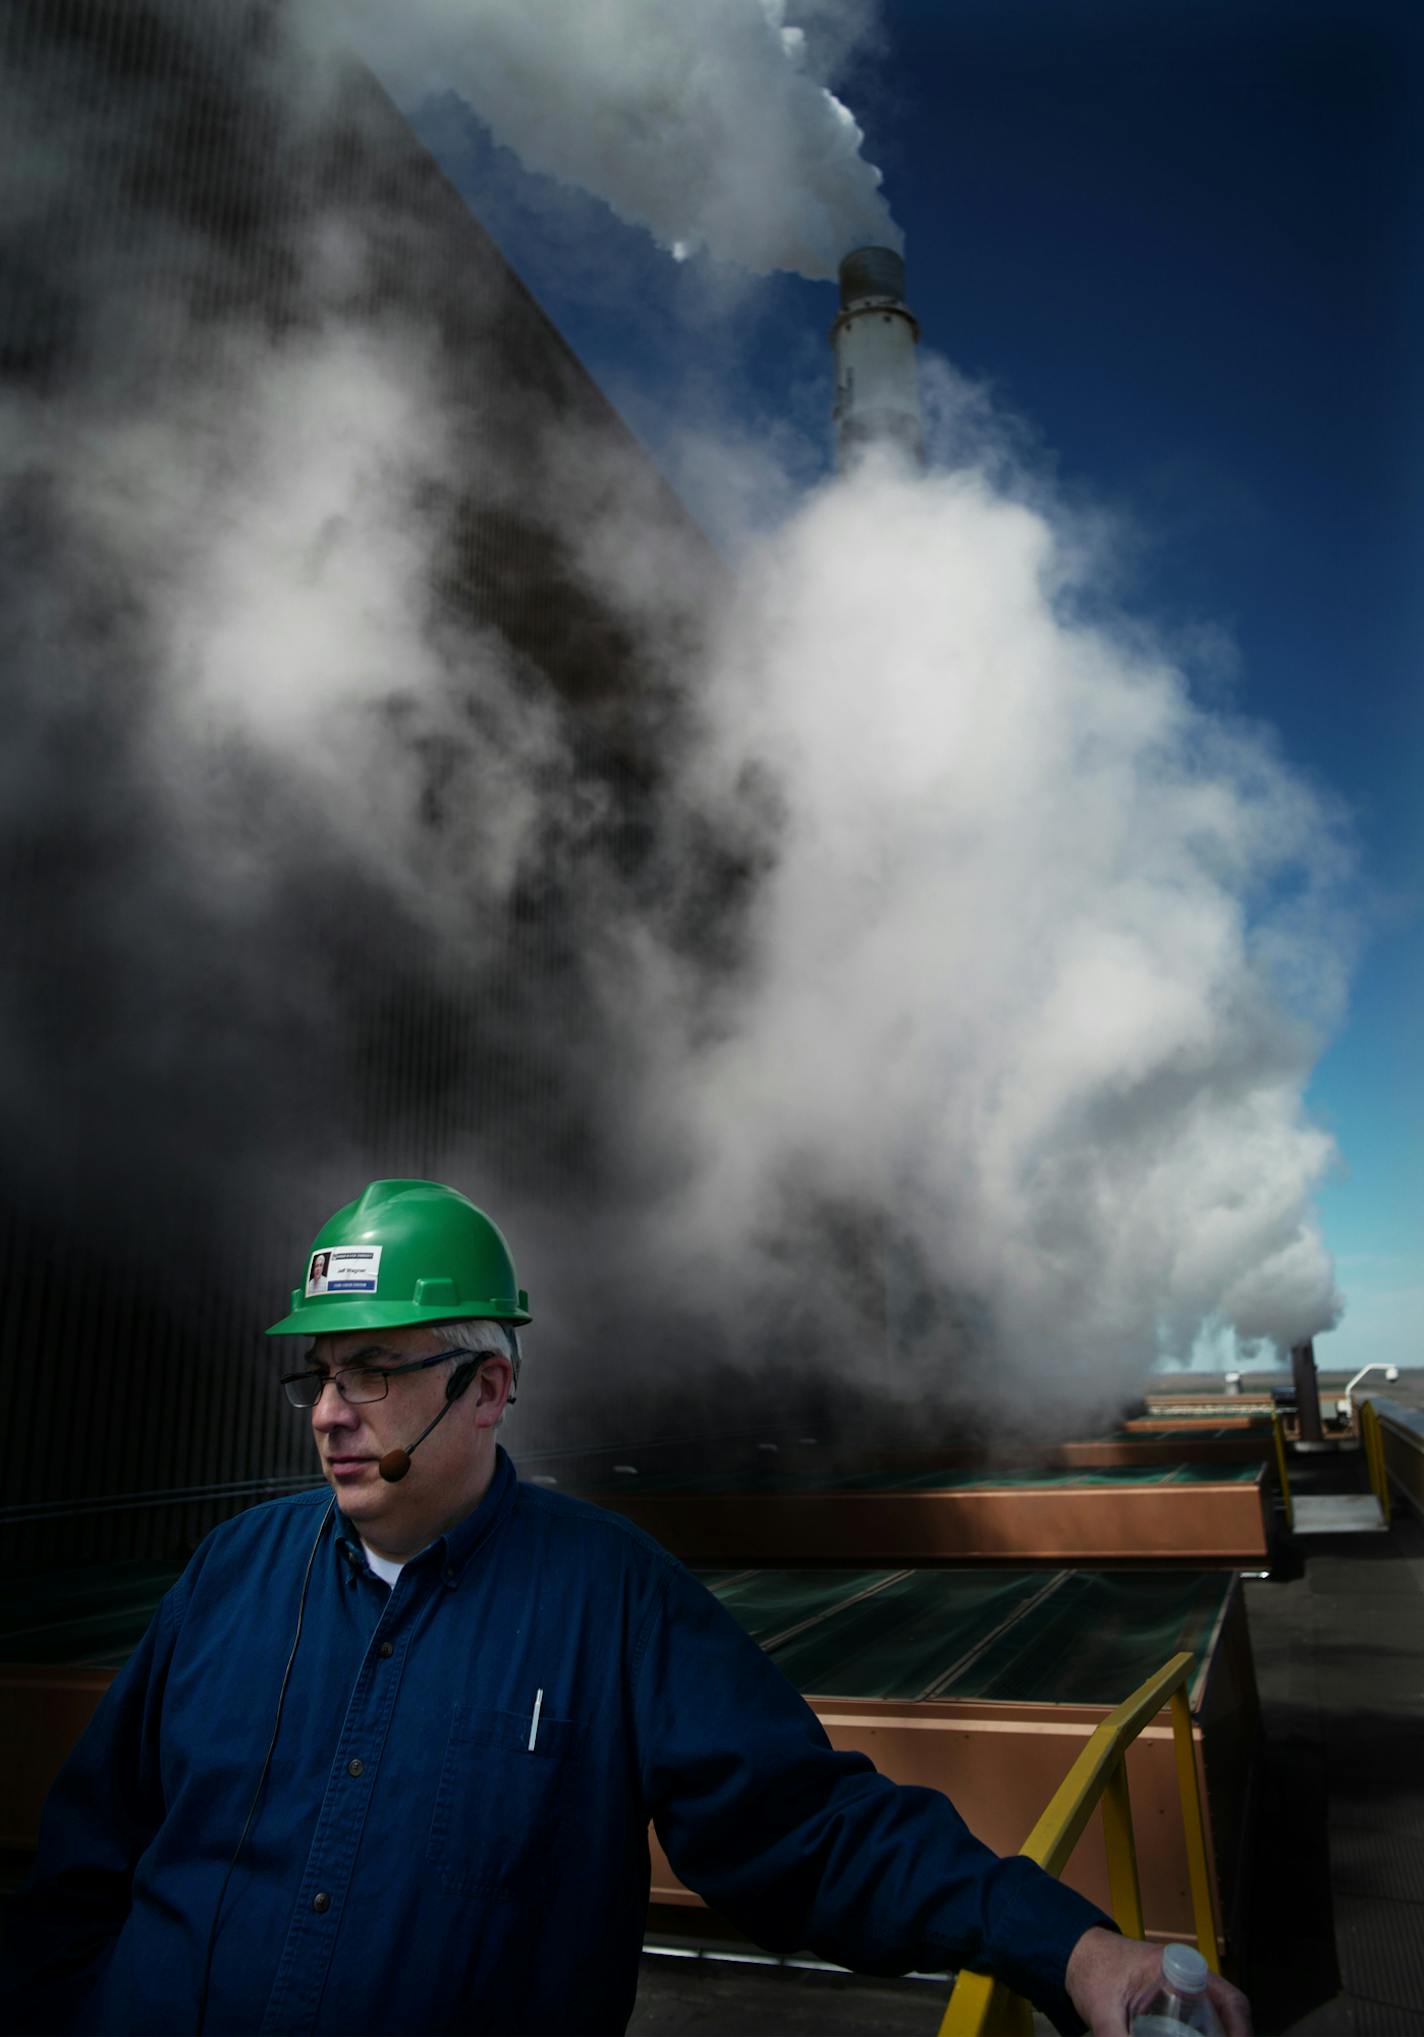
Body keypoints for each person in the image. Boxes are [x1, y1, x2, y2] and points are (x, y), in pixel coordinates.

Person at [4, 1179, 1252, 2037]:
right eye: (321, 1374)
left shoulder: (611, 1602)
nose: (332, 1410)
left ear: (488, 1387)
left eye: (376, 1370)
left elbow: (808, 1831)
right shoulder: (230, 1574)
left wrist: (1073, 1949)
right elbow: (85, 1863)